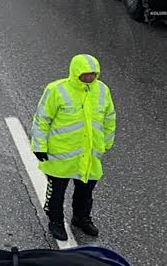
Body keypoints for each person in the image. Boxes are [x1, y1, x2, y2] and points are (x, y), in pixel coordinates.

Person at [31, 54, 116, 241]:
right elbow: (42, 119)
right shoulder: (56, 90)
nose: (89, 78)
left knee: (85, 192)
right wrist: (39, 145)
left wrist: (106, 143)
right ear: (75, 72)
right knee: (57, 194)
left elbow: (109, 117)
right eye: (85, 74)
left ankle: (81, 218)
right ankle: (56, 221)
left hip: (89, 156)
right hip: (61, 156)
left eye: (93, 74)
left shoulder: (102, 90)